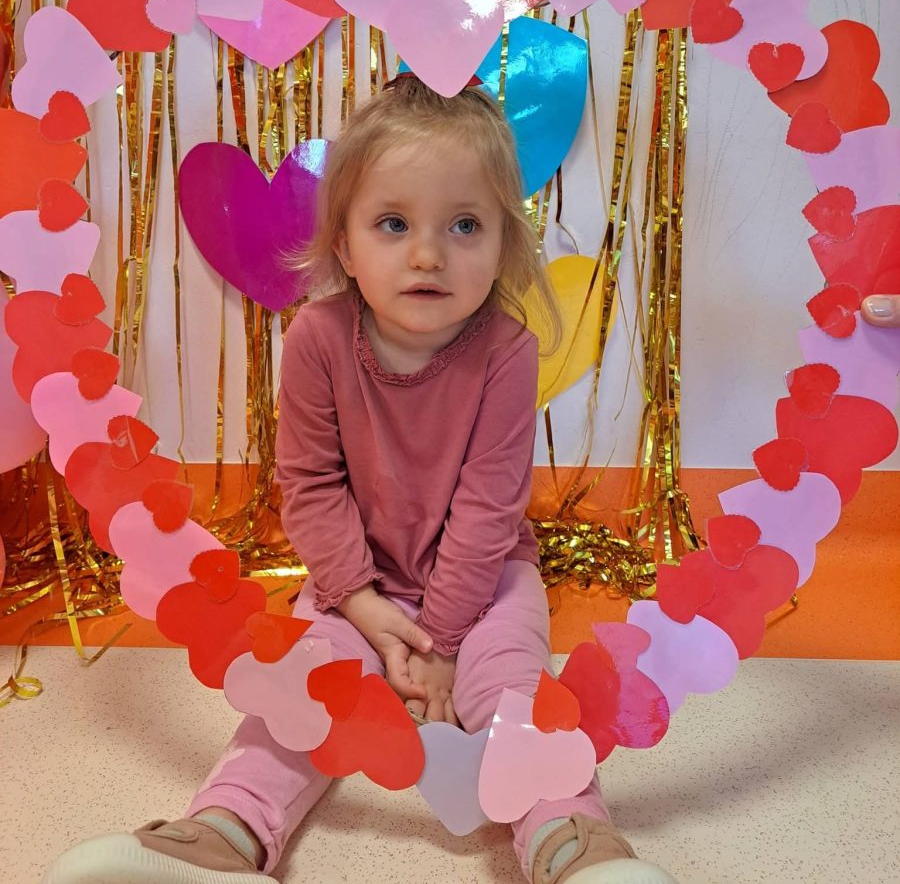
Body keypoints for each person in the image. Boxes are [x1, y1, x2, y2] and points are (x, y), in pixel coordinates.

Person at [45, 74, 677, 884]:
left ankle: (573, 842)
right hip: (355, 583)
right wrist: (365, 608)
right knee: (299, 692)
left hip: (486, 583)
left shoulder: (509, 351)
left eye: (465, 225)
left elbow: (489, 510)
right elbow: (310, 486)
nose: (428, 254)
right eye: (393, 224)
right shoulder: (317, 338)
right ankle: (225, 832)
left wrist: (442, 640)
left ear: (503, 245)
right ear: (344, 245)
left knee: (517, 693)